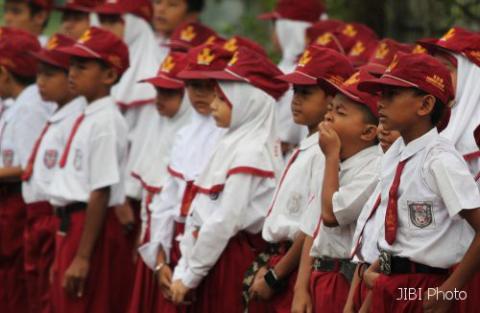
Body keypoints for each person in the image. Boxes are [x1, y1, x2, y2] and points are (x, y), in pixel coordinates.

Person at [169, 47, 288, 313]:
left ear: (248, 103)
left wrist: (190, 274)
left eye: (221, 99)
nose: (212, 104)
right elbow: (200, 212)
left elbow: (224, 220)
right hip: (210, 257)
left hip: (231, 260)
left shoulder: (252, 151)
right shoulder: (231, 142)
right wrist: (184, 266)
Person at [359, 52, 480, 313]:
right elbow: (400, 240)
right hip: (391, 284)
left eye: (391, 94)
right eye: (381, 93)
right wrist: (378, 273)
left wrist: (450, 290)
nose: (380, 102)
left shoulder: (440, 160)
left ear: (424, 105)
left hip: (427, 287)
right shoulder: (396, 156)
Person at [245, 46, 354, 313]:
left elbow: (310, 228)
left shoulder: (325, 151)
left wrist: (276, 276)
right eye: (294, 91)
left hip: (293, 269)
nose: (295, 99)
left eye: (306, 92)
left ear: (332, 98)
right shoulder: (308, 144)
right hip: (279, 259)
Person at [138, 43, 232, 313]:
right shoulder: (184, 135)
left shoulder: (230, 138)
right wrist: (159, 258)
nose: (200, 94)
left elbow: (222, 213)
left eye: (208, 85)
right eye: (192, 86)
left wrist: (191, 267)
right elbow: (167, 199)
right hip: (175, 245)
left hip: (210, 249)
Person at [47, 27, 131, 313]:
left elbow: (100, 190)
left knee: (86, 304)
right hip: (71, 225)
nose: (72, 72)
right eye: (71, 65)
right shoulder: (87, 114)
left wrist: (82, 256)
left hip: (89, 225)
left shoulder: (105, 122)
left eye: (81, 67)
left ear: (109, 75)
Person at [292, 69, 382, 313]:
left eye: (340, 113)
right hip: (320, 273)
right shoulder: (335, 159)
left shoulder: (375, 165)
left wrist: (331, 156)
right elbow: (314, 225)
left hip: (344, 278)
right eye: (330, 108)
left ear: (368, 132)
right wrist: (301, 288)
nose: (329, 117)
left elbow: (331, 216)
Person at [417, 26, 480, 313]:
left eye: (446, 69)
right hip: (431, 276)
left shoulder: (476, 141)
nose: (437, 79)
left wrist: (452, 288)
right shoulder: (436, 137)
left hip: (467, 279)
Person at [22, 33, 86, 313]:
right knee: (34, 295)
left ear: (71, 79)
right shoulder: (58, 115)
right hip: (35, 215)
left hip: (53, 217)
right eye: (39, 74)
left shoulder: (77, 119)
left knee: (50, 298)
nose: (40, 82)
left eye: (50, 75)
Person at [127, 51, 193, 313]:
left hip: (173, 243)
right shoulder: (160, 127)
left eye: (169, 93)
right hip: (152, 239)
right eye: (157, 92)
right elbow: (149, 191)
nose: (159, 100)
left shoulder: (191, 136)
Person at [0, 27, 56, 313]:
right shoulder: (19, 104)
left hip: (23, 205)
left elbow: (30, 165)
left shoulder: (30, 107)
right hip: (13, 206)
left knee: (19, 283)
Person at [344, 122, 401, 313]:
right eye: (381, 122)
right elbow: (366, 248)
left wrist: (368, 303)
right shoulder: (386, 169)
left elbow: (392, 249)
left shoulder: (408, 176)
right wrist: (350, 301)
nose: (382, 129)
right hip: (364, 280)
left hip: (383, 286)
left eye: (393, 125)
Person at [258, 0, 326, 158]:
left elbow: (284, 135)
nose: (273, 33)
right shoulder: (286, 66)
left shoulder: (299, 73)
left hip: (284, 155)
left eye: (275, 25)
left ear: (287, 28)